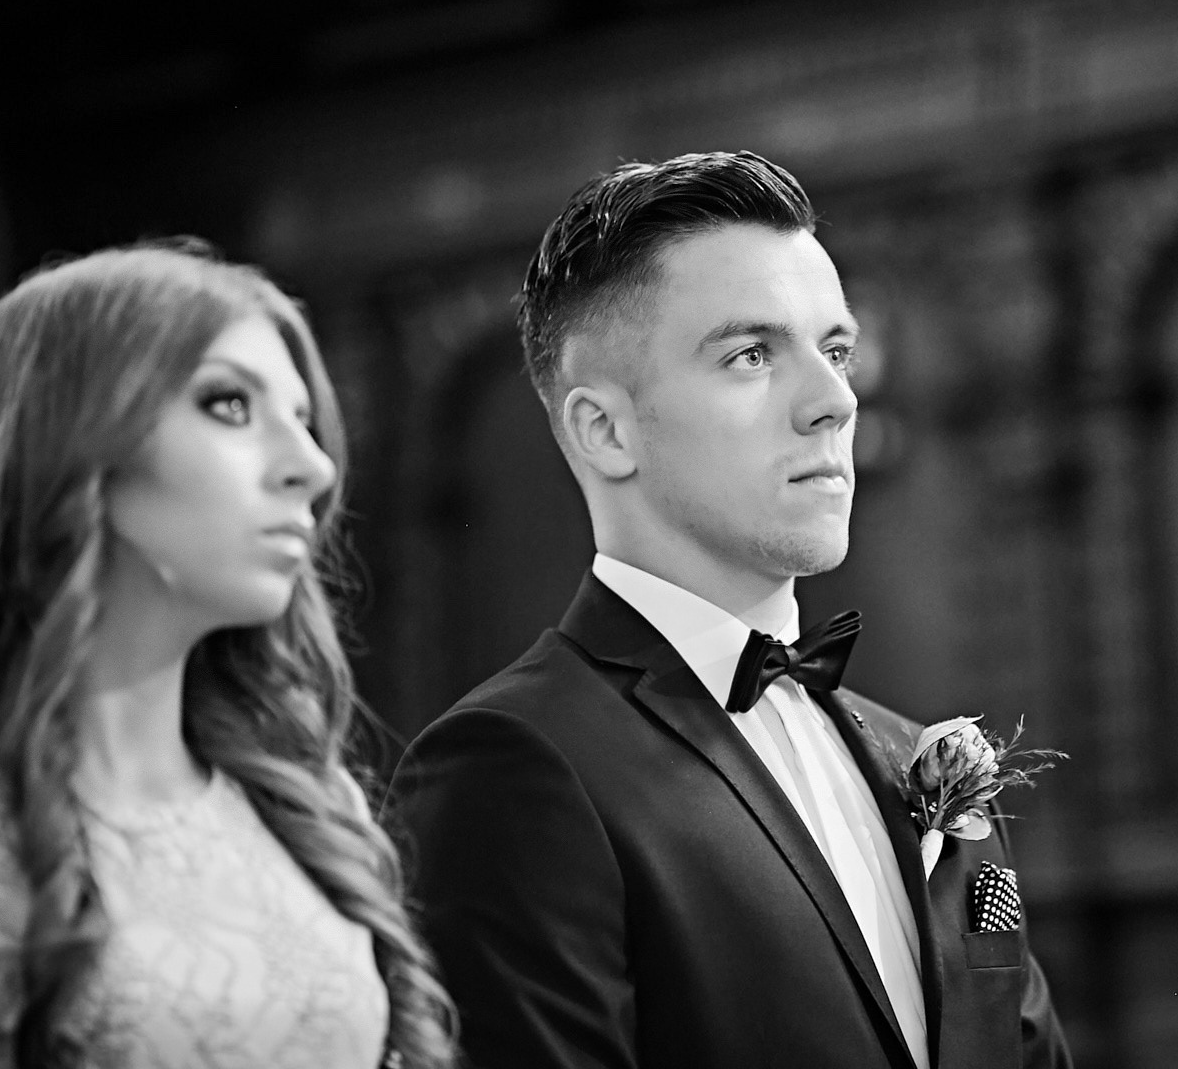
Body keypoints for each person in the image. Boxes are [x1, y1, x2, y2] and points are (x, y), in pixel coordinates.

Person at [392, 151, 1072, 1069]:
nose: (835, 401)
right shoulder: (514, 766)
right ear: (606, 430)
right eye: (752, 355)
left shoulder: (912, 754)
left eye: (837, 351)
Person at [0, 244, 455, 1068]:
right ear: (66, 436)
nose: (313, 467)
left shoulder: (307, 804)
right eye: (229, 404)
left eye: (304, 419)